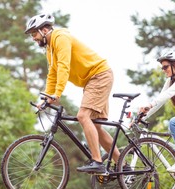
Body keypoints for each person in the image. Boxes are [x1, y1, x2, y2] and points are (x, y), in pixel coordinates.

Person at [24, 13, 120, 174]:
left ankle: (97, 161)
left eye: (34, 33)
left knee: (83, 116)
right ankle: (123, 164)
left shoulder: (60, 38)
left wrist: (57, 93)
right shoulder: (50, 49)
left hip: (99, 75)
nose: (33, 38)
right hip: (92, 80)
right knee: (96, 126)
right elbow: (52, 74)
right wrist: (47, 96)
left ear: (45, 30)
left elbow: (64, 66)